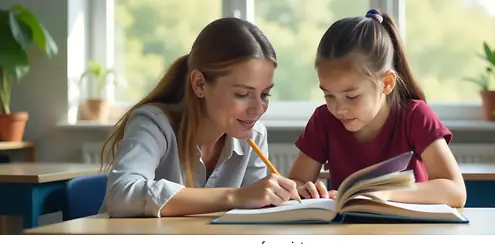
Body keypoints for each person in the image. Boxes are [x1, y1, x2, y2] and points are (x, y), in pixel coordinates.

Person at [100, 17, 299, 218]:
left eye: (265, 94)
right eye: (242, 94)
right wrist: (234, 196)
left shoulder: (254, 135)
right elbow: (120, 195)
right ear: (200, 84)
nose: (257, 109)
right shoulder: (153, 123)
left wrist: (286, 198)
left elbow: (251, 211)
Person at [287, 9, 467, 208]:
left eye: (351, 96)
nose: (338, 109)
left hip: (411, 233)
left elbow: (455, 191)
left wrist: (386, 192)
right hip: (348, 232)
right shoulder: (323, 120)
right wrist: (303, 190)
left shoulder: (415, 116)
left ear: (387, 83)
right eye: (328, 95)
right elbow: (297, 182)